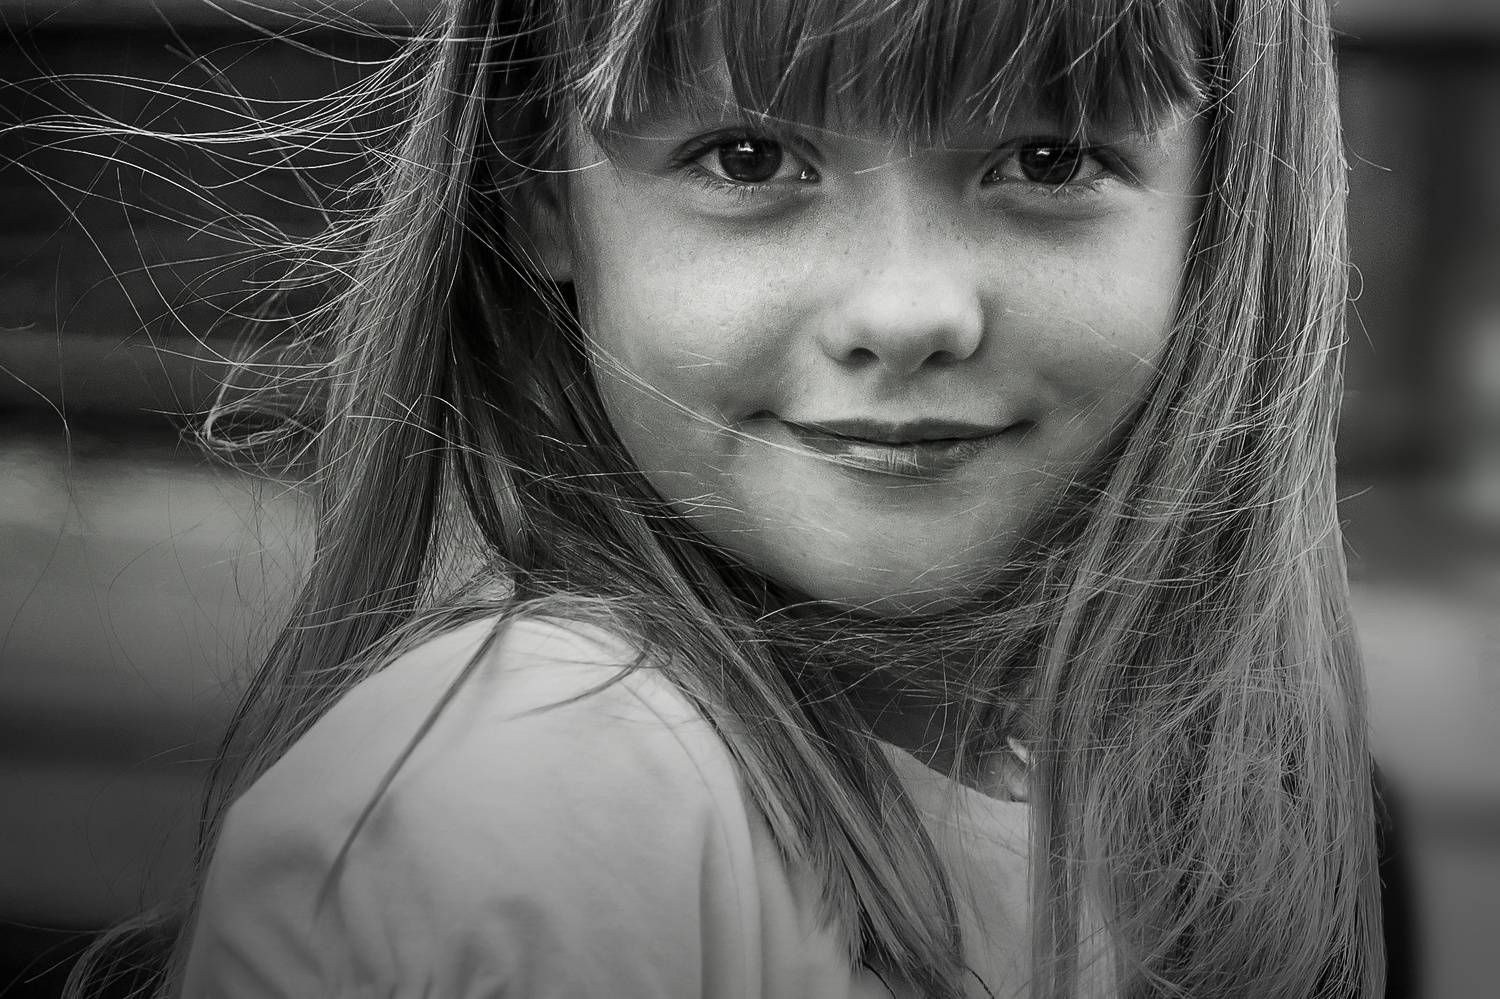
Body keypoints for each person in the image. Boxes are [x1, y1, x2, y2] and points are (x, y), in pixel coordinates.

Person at [68, 0, 1396, 996]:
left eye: (1047, 160)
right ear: (540, 191)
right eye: (750, 157)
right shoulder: (534, 801)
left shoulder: (1189, 806)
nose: (907, 311)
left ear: (1220, 202)